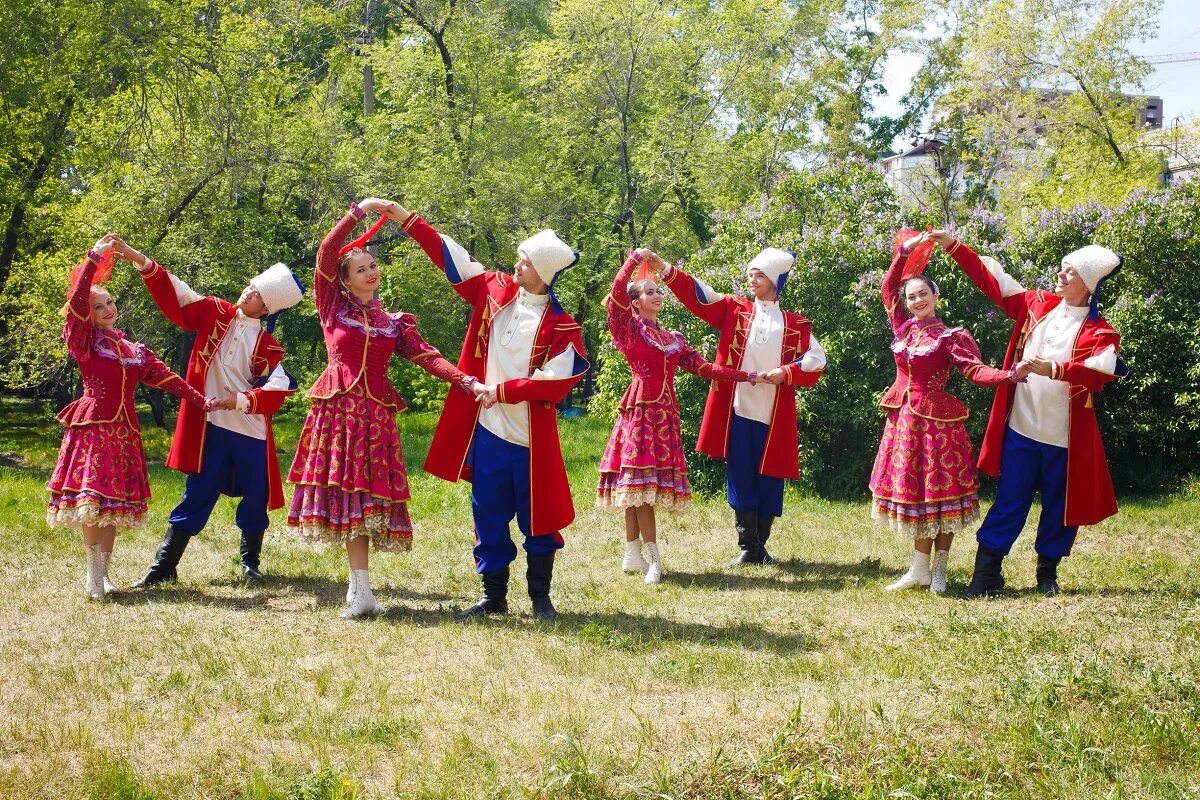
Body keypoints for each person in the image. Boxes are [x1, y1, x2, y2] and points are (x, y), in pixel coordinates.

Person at [400, 203, 589, 620]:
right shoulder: (493, 291)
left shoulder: (563, 326)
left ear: (543, 272)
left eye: (525, 260)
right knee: (487, 512)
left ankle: (541, 597)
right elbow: (452, 258)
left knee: (539, 518)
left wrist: (501, 391)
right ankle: (493, 596)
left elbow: (559, 377)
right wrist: (404, 217)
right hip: (486, 430)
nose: (517, 264)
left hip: (529, 438)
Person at [288, 198, 470, 618]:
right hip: (337, 414)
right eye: (361, 268)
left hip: (375, 420)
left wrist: (464, 380)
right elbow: (326, 254)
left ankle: (363, 591)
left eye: (373, 266)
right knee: (349, 499)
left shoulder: (394, 322)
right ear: (345, 280)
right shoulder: (332, 307)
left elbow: (428, 356)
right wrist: (360, 211)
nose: (371, 272)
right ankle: (359, 592)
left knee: (367, 502)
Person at [929, 231, 1126, 597]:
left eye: (1070, 273)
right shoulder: (1037, 305)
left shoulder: (1101, 332)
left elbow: (1102, 370)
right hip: (1022, 428)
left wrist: (1053, 369)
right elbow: (993, 280)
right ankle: (987, 573)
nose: (1061, 276)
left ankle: (1047, 572)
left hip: (1065, 437)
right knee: (1009, 501)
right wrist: (953, 244)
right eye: (1062, 270)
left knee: (1059, 507)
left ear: (1089, 285)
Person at [116, 239, 305, 587]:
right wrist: (139, 259)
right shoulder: (214, 312)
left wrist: (241, 400)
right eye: (251, 285)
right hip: (212, 427)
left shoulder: (268, 346)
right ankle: (163, 567)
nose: (248, 291)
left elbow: (279, 389)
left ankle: (250, 563)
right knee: (198, 493)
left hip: (251, 432)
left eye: (258, 292)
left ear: (268, 307)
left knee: (256, 496)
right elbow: (180, 294)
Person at [48, 236, 212, 598]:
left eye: (110, 303)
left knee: (111, 508)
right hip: (93, 431)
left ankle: (104, 575)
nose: (108, 309)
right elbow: (75, 305)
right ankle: (93, 579)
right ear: (87, 315)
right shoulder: (85, 343)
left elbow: (166, 377)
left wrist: (201, 400)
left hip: (124, 433)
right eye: (99, 306)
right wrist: (94, 258)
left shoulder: (131, 350)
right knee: (93, 507)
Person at [871, 233, 1023, 594]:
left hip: (938, 426)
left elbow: (974, 370)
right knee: (918, 498)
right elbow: (888, 289)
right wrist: (904, 253)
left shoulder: (951, 336)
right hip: (904, 423)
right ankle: (918, 570)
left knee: (941, 497)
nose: (917, 300)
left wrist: (1008, 375)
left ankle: (938, 571)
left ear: (936, 296)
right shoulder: (902, 329)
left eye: (924, 293)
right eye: (912, 297)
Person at [659, 248, 826, 564]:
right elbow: (700, 294)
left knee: (771, 477)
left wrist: (786, 372)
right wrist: (664, 267)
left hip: (774, 414)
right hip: (736, 407)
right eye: (750, 274)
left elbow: (817, 360)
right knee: (740, 474)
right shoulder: (735, 309)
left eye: (759, 274)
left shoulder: (795, 323)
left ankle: (760, 545)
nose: (752, 279)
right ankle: (748, 547)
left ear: (775, 280)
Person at [598, 249, 751, 583]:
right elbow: (615, 298)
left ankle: (633, 555)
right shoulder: (630, 330)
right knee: (638, 486)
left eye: (658, 291)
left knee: (640, 488)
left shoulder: (672, 339)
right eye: (650, 291)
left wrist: (746, 375)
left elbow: (703, 367)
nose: (658, 295)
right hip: (640, 412)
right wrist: (635, 260)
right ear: (635, 302)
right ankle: (652, 559)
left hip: (664, 416)